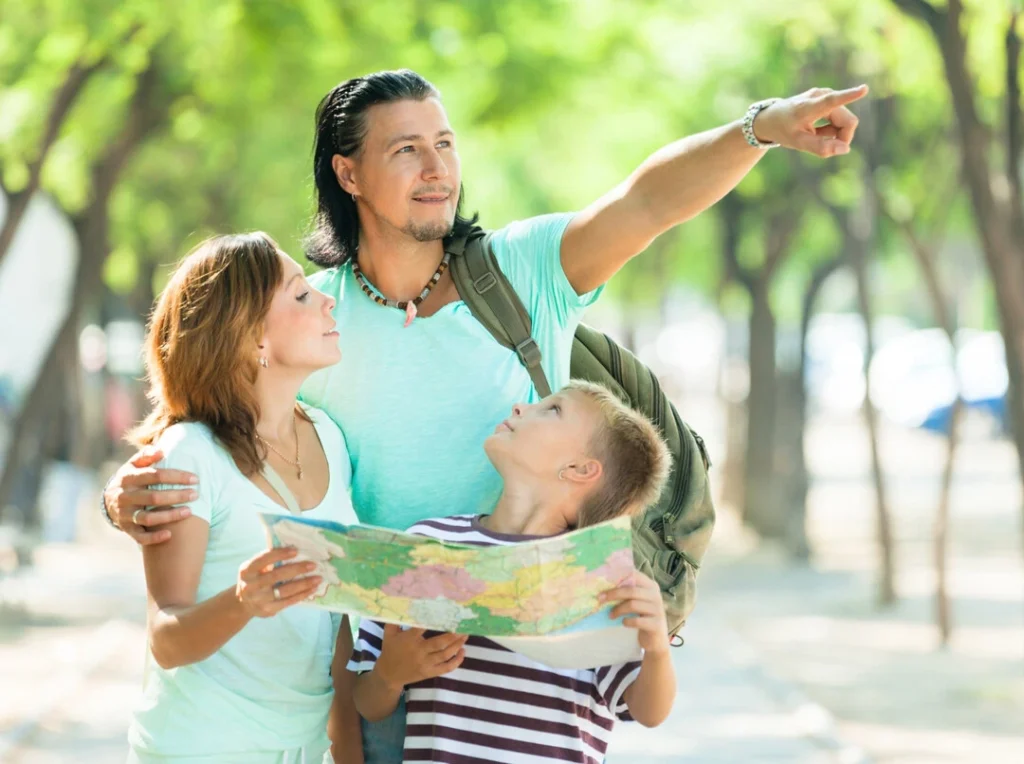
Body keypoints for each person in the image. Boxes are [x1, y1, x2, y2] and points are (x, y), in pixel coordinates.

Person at [102, 70, 868, 761]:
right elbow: (221, 425)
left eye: (444, 142)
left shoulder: (524, 270)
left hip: (535, 679)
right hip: (391, 676)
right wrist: (124, 496)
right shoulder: (315, 321)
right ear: (348, 173)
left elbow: (646, 202)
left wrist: (761, 127)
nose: (437, 169)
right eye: (406, 150)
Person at [124, 233, 362, 763]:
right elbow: (166, 636)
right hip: (204, 746)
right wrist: (243, 601)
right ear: (251, 336)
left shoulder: (329, 437)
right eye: (301, 295)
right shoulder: (189, 454)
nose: (327, 301)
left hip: (303, 747)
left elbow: (336, 625)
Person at [348, 381, 674, 763]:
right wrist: (391, 674)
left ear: (579, 469)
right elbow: (366, 702)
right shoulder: (427, 545)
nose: (520, 406)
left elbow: (647, 712)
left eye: (552, 409)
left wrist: (657, 649)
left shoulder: (599, 582)